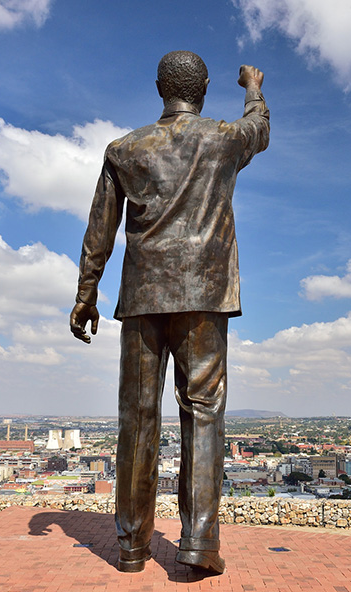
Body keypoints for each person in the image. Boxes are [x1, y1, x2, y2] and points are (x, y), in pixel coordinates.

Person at [70, 50, 269, 574]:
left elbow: (100, 229)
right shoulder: (223, 138)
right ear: (203, 90)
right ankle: (200, 543)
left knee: (136, 417)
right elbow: (260, 127)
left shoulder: (124, 149)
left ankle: (131, 546)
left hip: (142, 298)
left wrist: (86, 293)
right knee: (203, 413)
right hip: (204, 297)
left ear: (160, 88)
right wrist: (252, 86)